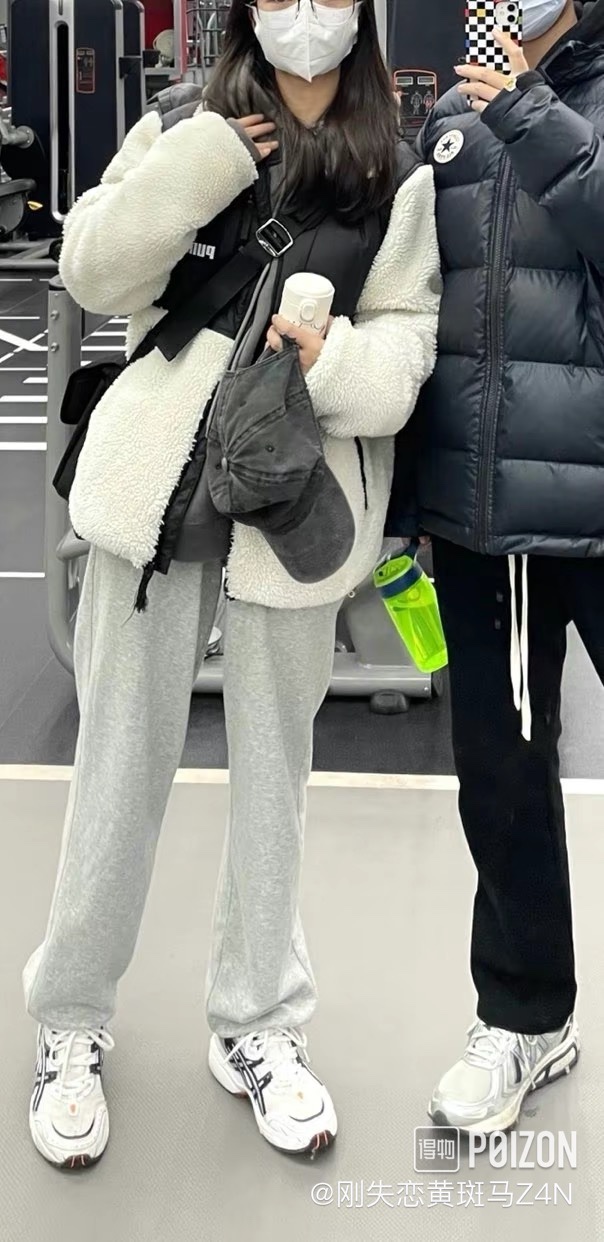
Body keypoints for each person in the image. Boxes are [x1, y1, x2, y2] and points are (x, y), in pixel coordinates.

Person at [24, 0, 440, 1169]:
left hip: (296, 502)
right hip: (155, 495)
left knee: (274, 781)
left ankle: (258, 1021)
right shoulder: (178, 125)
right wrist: (202, 163)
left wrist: (334, 358)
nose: (305, 15)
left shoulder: (394, 169)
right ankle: (69, 1018)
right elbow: (92, 268)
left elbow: (405, 350)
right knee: (118, 764)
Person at [396, 0, 604, 1133]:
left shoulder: (537, 109)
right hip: (491, 520)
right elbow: (422, 313)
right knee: (505, 778)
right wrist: (409, 503)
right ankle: (525, 1016)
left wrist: (533, 115)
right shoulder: (451, 124)